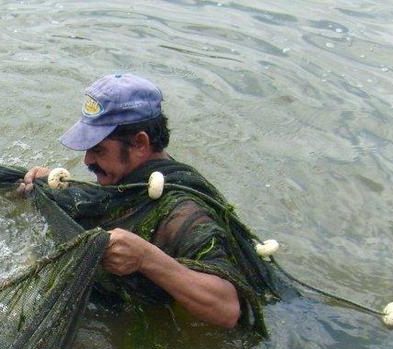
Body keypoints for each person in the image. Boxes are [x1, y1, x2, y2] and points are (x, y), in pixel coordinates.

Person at [19, 74, 267, 331]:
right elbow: (106, 204)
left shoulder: (183, 212)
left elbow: (228, 308)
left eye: (98, 149)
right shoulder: (133, 183)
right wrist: (47, 186)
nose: (87, 161)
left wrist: (146, 259)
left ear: (140, 143)